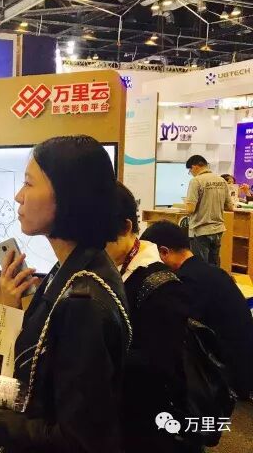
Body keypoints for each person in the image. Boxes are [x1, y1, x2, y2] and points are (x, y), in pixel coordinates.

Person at [0, 136, 131, 453]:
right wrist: (12, 305)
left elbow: (75, 440)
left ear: (68, 194)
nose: (18, 197)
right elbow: (43, 381)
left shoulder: (84, 300)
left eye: (28, 183)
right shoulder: (71, 271)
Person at [106, 183, 192, 453]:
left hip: (142, 423)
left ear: (126, 227)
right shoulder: (105, 267)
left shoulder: (161, 285)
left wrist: (96, 352)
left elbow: (160, 362)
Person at [142, 220, 253, 401]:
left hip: (227, 376)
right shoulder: (211, 271)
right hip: (242, 361)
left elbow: (177, 334)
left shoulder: (186, 282)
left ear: (164, 252)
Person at [184, 155, 233, 266]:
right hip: (218, 230)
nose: (191, 173)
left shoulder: (196, 181)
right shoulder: (222, 181)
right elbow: (230, 207)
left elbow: (190, 209)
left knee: (200, 266)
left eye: (190, 171)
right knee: (214, 265)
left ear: (194, 167)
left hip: (201, 230)